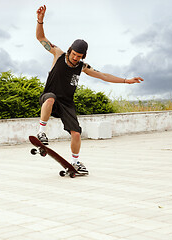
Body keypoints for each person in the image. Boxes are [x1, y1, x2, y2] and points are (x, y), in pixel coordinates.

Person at [35, 5, 144, 174]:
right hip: (49, 98)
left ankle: (76, 162)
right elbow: (40, 37)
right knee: (50, 98)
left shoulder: (82, 66)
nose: (75, 59)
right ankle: (41, 132)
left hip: (67, 103)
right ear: (70, 51)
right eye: (73, 55)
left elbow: (104, 76)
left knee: (76, 134)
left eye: (79, 57)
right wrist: (40, 20)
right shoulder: (58, 54)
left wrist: (126, 81)